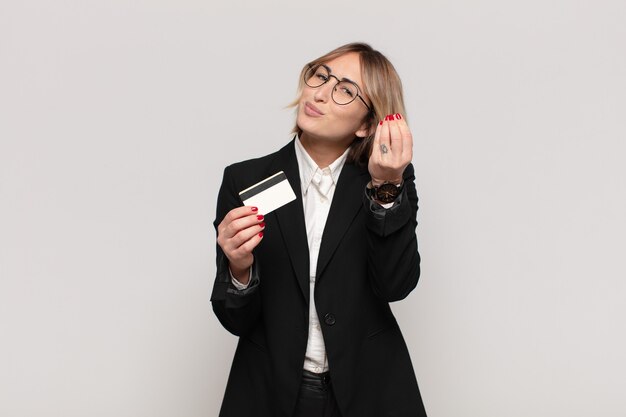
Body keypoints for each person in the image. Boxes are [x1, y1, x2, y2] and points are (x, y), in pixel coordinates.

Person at [211, 42, 427, 417]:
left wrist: (386, 188)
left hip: (368, 391)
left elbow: (396, 285)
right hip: (270, 392)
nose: (321, 93)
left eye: (345, 90)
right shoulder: (245, 180)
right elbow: (236, 320)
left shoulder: (389, 181)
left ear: (365, 125)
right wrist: (238, 269)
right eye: (320, 76)